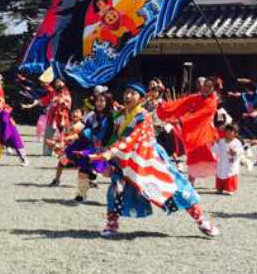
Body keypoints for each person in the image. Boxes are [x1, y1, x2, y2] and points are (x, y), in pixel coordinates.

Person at [91, 83, 219, 238]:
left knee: (177, 189)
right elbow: (110, 135)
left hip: (149, 157)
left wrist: (111, 151)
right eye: (126, 92)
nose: (128, 96)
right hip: (125, 158)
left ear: (141, 98)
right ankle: (112, 224)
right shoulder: (120, 115)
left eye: (133, 93)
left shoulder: (143, 116)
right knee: (116, 190)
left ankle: (202, 221)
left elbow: (134, 137)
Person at [156, 77, 221, 183]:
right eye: (205, 85)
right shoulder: (195, 97)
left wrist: (181, 120)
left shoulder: (212, 102)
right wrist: (164, 105)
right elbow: (180, 103)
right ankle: (191, 180)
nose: (205, 88)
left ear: (214, 89)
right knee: (192, 156)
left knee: (206, 156)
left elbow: (198, 115)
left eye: (209, 87)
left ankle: (220, 172)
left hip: (203, 132)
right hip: (191, 130)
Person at [62, 90, 116, 203]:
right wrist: (76, 135)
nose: (99, 103)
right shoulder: (92, 115)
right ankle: (81, 194)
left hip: (104, 150)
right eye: (97, 101)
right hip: (89, 146)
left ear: (108, 102)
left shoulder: (112, 117)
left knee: (109, 173)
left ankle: (121, 191)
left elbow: (110, 134)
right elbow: (85, 130)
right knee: (83, 170)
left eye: (102, 101)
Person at [0, 97, 29, 166]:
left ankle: (24, 160)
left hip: (11, 131)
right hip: (0, 131)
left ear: (2, 105)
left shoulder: (5, 113)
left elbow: (6, 125)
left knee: (18, 146)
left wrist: (3, 136)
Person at [48, 108, 85, 187]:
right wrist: (59, 141)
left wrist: (67, 139)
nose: (74, 113)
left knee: (84, 166)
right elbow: (63, 135)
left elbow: (79, 137)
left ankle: (90, 181)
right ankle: (57, 180)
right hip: (68, 148)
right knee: (61, 162)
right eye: (73, 112)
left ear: (81, 116)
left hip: (78, 149)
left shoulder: (82, 126)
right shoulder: (68, 124)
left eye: (77, 112)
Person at [212, 121, 245, 194]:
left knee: (230, 174)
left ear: (235, 133)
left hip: (231, 162)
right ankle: (219, 188)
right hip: (221, 161)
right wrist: (215, 144)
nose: (228, 133)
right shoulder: (221, 141)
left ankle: (230, 189)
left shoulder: (237, 142)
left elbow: (240, 151)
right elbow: (216, 150)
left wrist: (234, 152)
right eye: (227, 131)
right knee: (220, 173)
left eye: (231, 131)